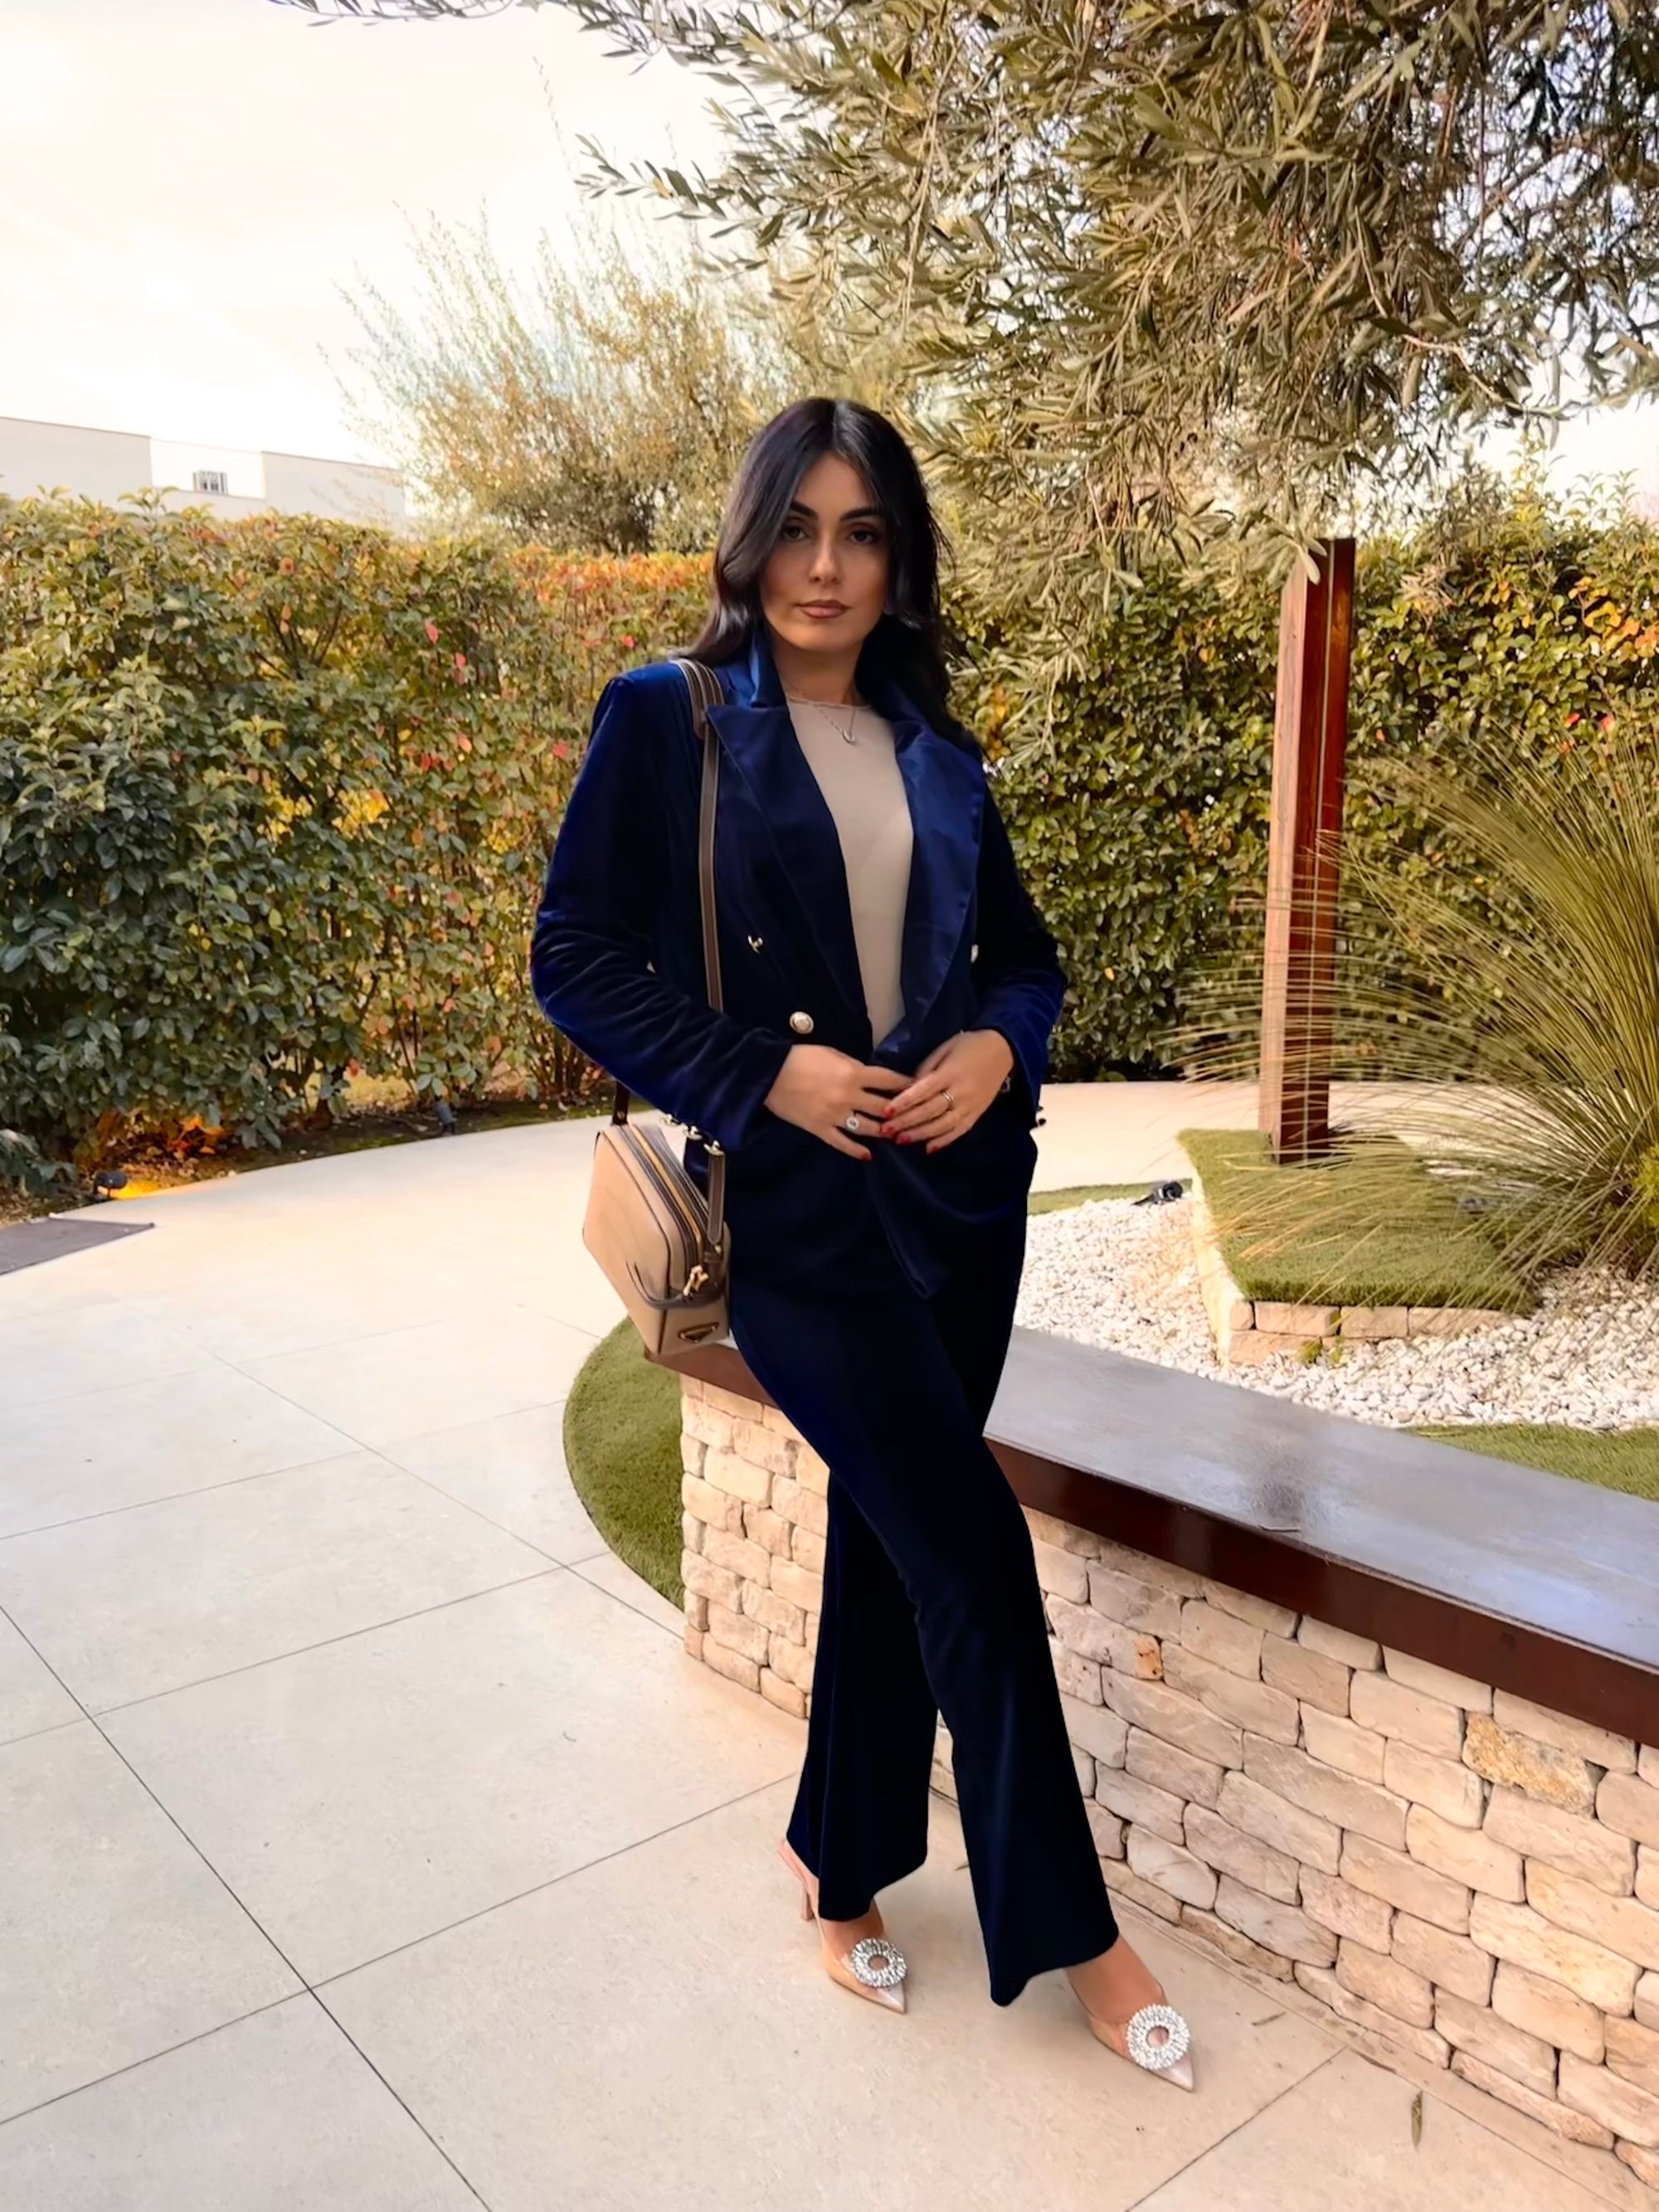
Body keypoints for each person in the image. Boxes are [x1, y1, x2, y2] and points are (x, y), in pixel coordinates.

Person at [528, 396, 1194, 2088]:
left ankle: (836, 1863)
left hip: (958, 1213)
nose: (825, 566)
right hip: (802, 1226)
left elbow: (1023, 965)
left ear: (901, 563)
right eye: (798, 527)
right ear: (750, 541)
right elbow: (573, 959)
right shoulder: (668, 716)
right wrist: (764, 1071)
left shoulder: (935, 749)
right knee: (969, 1546)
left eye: (864, 533)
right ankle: (1079, 1933)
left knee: (897, 1540)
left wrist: (997, 1051)